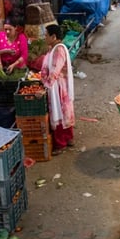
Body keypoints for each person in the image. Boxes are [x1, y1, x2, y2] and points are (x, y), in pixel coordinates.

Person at [41, 24, 75, 154]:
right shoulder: (54, 49)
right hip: (59, 85)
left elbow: (55, 70)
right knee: (64, 112)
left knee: (59, 113)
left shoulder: (58, 50)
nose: (44, 37)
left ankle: (61, 144)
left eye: (46, 35)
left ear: (53, 36)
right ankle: (68, 139)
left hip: (59, 87)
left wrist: (45, 86)